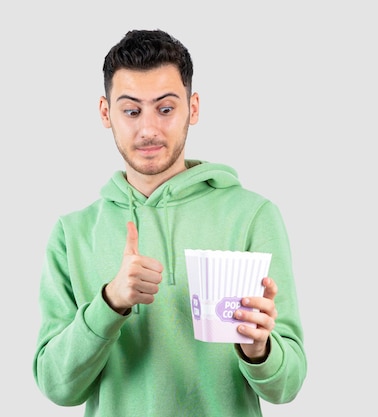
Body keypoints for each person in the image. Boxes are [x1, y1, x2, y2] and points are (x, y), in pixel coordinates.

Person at [33, 29, 306, 417]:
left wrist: (259, 349)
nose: (148, 129)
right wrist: (109, 303)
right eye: (131, 111)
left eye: (165, 109)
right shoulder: (71, 233)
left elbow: (288, 386)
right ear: (105, 112)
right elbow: (56, 386)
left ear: (193, 108)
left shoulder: (252, 215)